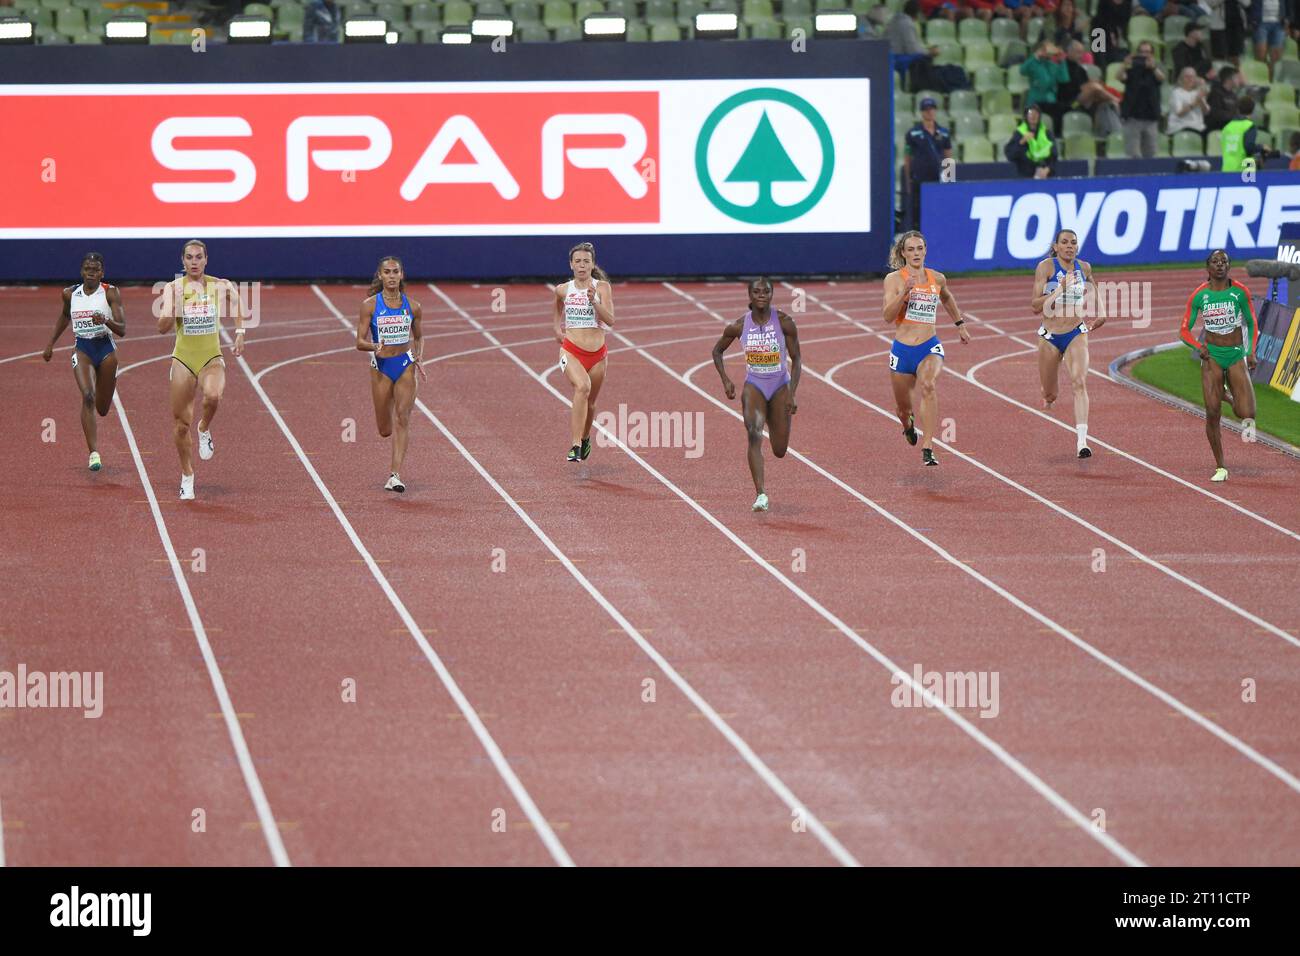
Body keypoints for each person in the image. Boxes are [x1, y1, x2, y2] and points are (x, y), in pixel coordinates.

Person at [157, 240, 246, 501]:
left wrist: (240, 332)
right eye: (189, 257)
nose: (194, 262)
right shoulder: (174, 289)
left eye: (198, 257)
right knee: (181, 425)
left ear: (206, 260)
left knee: (214, 395)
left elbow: (238, 302)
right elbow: (161, 328)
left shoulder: (220, 285)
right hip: (183, 359)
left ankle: (204, 427)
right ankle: (187, 475)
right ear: (182, 261)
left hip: (211, 357)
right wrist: (175, 308)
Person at [880, 231, 971, 467]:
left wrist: (960, 324)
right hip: (902, 351)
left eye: (919, 248)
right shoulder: (893, 280)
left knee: (929, 385)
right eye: (910, 250)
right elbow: (888, 317)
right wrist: (904, 293)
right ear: (903, 253)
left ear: (925, 250)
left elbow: (948, 298)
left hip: (929, 346)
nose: (916, 253)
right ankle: (908, 426)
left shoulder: (937, 278)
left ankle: (928, 445)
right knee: (902, 409)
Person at [710, 278, 801, 512]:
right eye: (757, 291)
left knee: (780, 450)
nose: (761, 295)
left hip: (780, 384)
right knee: (753, 433)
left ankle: (773, 416)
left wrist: (791, 393)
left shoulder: (785, 323)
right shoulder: (739, 326)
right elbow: (717, 351)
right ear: (750, 296)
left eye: (766, 291)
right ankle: (761, 494)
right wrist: (726, 380)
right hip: (755, 385)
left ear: (772, 294)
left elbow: (797, 359)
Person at [41, 253, 126, 472]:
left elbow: (123, 329)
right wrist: (50, 344)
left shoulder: (110, 292)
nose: (91, 272)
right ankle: (94, 453)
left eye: (95, 269)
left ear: (102, 273)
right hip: (83, 349)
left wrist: (105, 320)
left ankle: (101, 400)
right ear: (81, 271)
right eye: (87, 268)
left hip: (106, 349)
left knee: (103, 408)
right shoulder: (70, 294)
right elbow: (64, 316)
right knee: (87, 396)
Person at [1178, 249, 1257, 482]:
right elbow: (1183, 330)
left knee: (1247, 413)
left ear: (1229, 266)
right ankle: (1220, 466)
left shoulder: (1240, 292)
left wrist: (1250, 352)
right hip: (1211, 356)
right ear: (1208, 268)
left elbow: (1252, 324)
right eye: (1215, 261)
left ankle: (1230, 397)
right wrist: (1197, 346)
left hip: (1234, 354)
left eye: (1224, 261)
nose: (1220, 265)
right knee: (1212, 413)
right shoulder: (1199, 295)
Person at [1030, 229, 1106, 458]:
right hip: (1050, 336)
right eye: (1064, 242)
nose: (1069, 246)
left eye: (1073, 242)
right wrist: (1060, 289)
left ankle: (1082, 441)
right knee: (1050, 393)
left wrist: (1101, 312)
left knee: (1079, 382)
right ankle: (1050, 397)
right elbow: (1035, 306)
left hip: (1075, 332)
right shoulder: (1046, 268)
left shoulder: (1084, 267)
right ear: (1056, 246)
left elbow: (1093, 286)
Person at [356, 256, 424, 493]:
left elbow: (420, 336)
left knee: (402, 417)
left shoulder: (413, 306)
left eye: (396, 271)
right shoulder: (370, 306)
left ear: (402, 275)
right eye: (388, 272)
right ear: (381, 276)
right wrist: (374, 347)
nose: (392, 276)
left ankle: (395, 475)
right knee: (385, 429)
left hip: (405, 364)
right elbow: (359, 341)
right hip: (381, 368)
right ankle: (388, 416)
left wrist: (419, 356)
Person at [553, 241, 615, 463]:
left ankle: (586, 437)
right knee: (582, 387)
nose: (581, 266)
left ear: (592, 264)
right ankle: (575, 445)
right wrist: (556, 327)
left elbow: (611, 320)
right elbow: (558, 304)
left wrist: (595, 302)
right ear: (571, 265)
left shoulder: (602, 288)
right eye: (577, 261)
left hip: (597, 355)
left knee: (590, 403)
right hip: (570, 351)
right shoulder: (562, 288)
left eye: (586, 262)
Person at [903, 97, 953, 232]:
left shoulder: (943, 133)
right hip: (920, 178)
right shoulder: (912, 133)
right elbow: (907, 158)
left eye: (931, 109)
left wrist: (950, 180)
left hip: (937, 176)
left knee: (937, 208)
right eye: (926, 110)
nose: (929, 112)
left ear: (935, 111)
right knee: (918, 210)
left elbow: (948, 157)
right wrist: (908, 181)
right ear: (921, 112)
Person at [1119, 40, 1165, 158]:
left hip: (1151, 117)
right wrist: (1124, 65)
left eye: (1147, 52)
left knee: (1151, 154)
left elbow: (1162, 78)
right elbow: (1120, 77)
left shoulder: (1157, 66)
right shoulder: (1131, 67)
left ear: (1152, 54)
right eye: (1141, 52)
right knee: (1132, 155)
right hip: (1132, 116)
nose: (1144, 54)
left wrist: (1153, 68)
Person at [886, 1, 940, 89]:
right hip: (896, 59)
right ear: (918, 13)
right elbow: (912, 50)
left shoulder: (894, 20)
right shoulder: (906, 23)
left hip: (890, 56)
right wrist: (930, 52)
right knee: (923, 60)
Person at [1020, 40, 1070, 132]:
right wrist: (1035, 57)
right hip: (1036, 100)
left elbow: (1064, 79)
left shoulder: (1052, 66)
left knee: (1061, 110)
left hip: (1050, 101)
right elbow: (1022, 70)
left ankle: (1056, 136)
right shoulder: (1033, 63)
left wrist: (1062, 61)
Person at [1005, 105, 1058, 177]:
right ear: (1026, 116)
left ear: (1039, 116)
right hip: (1025, 175)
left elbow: (1054, 155)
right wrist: (1021, 142)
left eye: (1036, 113)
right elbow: (1010, 155)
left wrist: (1047, 169)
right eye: (1030, 113)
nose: (1033, 116)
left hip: (1045, 175)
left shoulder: (1047, 133)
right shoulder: (1019, 133)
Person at [1167, 67, 1211, 135]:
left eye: (1192, 77)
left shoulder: (1198, 92)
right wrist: (1194, 103)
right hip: (1180, 126)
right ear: (1181, 79)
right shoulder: (1176, 93)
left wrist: (1201, 100)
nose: (1190, 79)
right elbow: (1179, 113)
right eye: (1187, 77)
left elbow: (1206, 112)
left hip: (1198, 127)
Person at [1251, 0, 1288, 80]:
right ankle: (1261, 78)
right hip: (1261, 23)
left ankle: (1269, 81)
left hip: (1279, 24)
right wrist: (1253, 20)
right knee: (1260, 56)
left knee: (1276, 57)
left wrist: (1287, 19)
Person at [1205, 65, 1245, 130]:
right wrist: (1234, 118)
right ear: (1229, 79)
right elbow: (1216, 114)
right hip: (1217, 127)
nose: (1239, 80)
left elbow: (1237, 112)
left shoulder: (1234, 96)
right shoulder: (1215, 93)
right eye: (1237, 77)